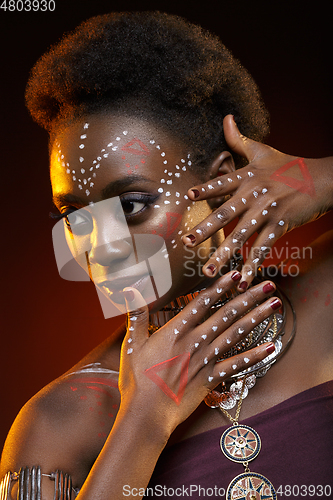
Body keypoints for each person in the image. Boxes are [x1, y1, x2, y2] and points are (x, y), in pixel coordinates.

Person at [0, 11, 332, 500]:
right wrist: (144, 423)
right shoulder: (59, 422)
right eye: (75, 215)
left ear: (222, 185)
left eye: (131, 204)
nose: (100, 245)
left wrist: (322, 178)